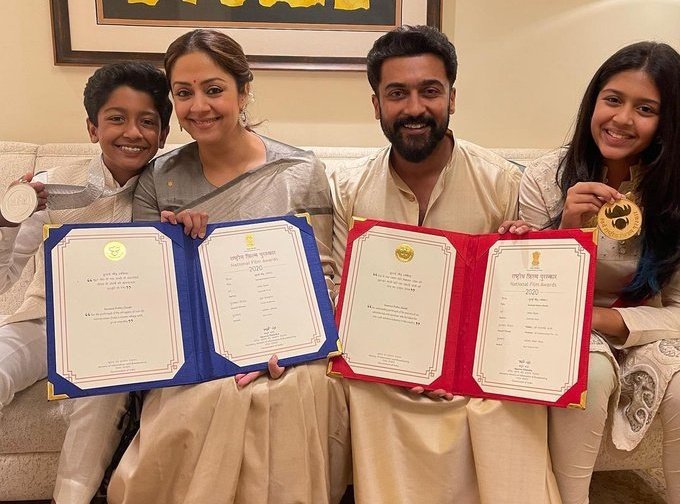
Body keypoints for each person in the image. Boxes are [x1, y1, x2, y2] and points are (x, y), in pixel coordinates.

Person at [107, 29, 350, 504]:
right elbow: (147, 290)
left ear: (243, 91)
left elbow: (322, 277)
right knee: (207, 397)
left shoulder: (298, 170)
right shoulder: (161, 176)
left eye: (213, 89)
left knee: (288, 393)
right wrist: (176, 243)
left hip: (287, 346)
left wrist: (286, 346)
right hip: (195, 348)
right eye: (183, 93)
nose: (198, 106)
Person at [330, 25, 559, 504]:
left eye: (429, 91)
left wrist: (525, 256)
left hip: (473, 366)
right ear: (376, 105)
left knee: (508, 402)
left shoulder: (502, 183)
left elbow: (513, 303)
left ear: (452, 98)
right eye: (397, 94)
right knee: (362, 394)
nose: (414, 108)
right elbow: (337, 290)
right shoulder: (349, 189)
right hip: (382, 369)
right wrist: (392, 362)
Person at [0, 62, 172, 503]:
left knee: (104, 393)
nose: (131, 132)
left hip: (123, 333)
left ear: (163, 135)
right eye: (116, 118)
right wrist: (4, 221)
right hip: (43, 321)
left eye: (147, 121)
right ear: (93, 128)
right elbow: (5, 279)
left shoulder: (174, 191)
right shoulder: (50, 186)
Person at [520, 41, 680, 504]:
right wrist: (569, 229)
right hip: (561, 328)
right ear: (593, 102)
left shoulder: (673, 193)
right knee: (587, 371)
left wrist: (607, 322)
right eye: (613, 100)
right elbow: (528, 293)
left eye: (645, 108)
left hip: (643, 327)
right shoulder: (546, 179)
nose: (622, 119)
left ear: (668, 121)